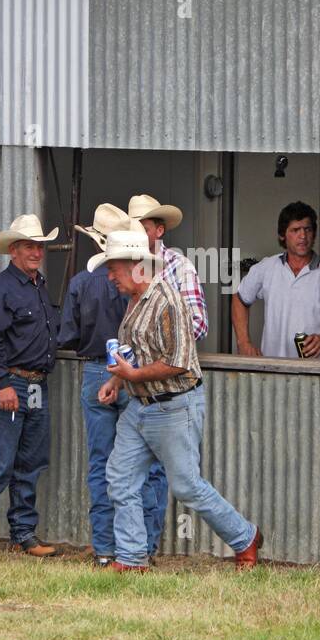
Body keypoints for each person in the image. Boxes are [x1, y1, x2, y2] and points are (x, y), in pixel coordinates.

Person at [95, 228, 262, 572]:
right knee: (120, 478)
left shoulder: (168, 301)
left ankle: (245, 538)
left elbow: (177, 362)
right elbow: (137, 353)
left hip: (175, 406)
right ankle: (131, 558)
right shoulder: (134, 301)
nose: (110, 276)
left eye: (115, 268)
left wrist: (132, 377)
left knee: (187, 487)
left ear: (137, 265)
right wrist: (116, 379)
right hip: (140, 407)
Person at [59, 204, 169, 567]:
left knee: (102, 461)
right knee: (147, 464)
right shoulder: (142, 281)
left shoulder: (79, 283)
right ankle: (146, 546)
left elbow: (69, 335)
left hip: (96, 371)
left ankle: (106, 547)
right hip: (139, 373)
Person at [0, 214, 61, 556]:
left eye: (39, 246)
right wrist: (2, 382)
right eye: (29, 246)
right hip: (8, 384)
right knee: (0, 462)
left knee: (30, 463)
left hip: (36, 384)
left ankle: (24, 533)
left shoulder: (39, 287)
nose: (36, 252)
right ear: (13, 251)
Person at [231, 201, 320, 359]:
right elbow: (239, 299)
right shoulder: (266, 268)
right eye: (295, 230)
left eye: (307, 229)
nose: (303, 236)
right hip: (272, 371)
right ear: (282, 235)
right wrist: (243, 343)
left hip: (315, 376)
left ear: (313, 233)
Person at [126, 194, 208, 340]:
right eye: (133, 229)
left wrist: (154, 340)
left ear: (160, 231)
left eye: (144, 230)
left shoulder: (180, 267)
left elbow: (198, 325)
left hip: (165, 361)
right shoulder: (124, 267)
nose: (137, 236)